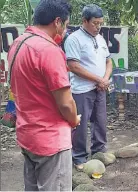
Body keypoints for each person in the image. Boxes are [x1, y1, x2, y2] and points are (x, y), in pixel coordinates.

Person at [7, 0, 80, 190]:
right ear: (57, 22)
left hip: (27, 133)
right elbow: (66, 104)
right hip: (50, 139)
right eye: (66, 24)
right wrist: (74, 120)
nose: (65, 30)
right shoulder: (49, 51)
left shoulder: (18, 43)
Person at [64, 4, 113, 170]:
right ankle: (79, 157)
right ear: (84, 21)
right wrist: (99, 79)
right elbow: (73, 66)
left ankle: (99, 152)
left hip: (99, 88)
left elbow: (108, 61)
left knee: (100, 122)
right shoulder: (74, 39)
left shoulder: (100, 38)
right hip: (81, 89)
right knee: (80, 124)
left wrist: (104, 79)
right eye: (95, 23)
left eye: (100, 23)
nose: (98, 27)